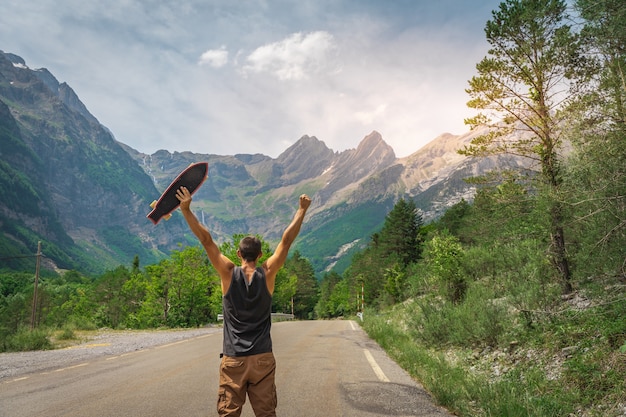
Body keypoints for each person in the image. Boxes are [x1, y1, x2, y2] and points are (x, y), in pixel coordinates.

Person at [176, 186, 311, 417]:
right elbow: (286, 241)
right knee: (266, 414)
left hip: (234, 359)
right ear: (260, 255)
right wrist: (301, 210)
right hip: (262, 358)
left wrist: (186, 210)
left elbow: (206, 240)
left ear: (239, 254)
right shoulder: (267, 273)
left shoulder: (228, 273)